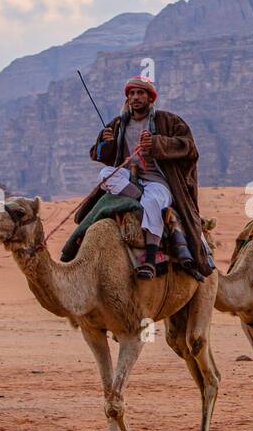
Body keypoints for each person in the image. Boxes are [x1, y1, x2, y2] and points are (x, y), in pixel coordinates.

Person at [78, 76, 210, 280]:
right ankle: (138, 197)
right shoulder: (118, 124)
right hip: (130, 180)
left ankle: (149, 259)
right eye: (131, 93)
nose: (135, 97)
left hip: (159, 182)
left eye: (140, 93)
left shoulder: (168, 121)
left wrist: (157, 143)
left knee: (152, 200)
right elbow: (98, 154)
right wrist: (107, 144)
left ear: (150, 98)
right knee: (105, 175)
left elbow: (189, 148)